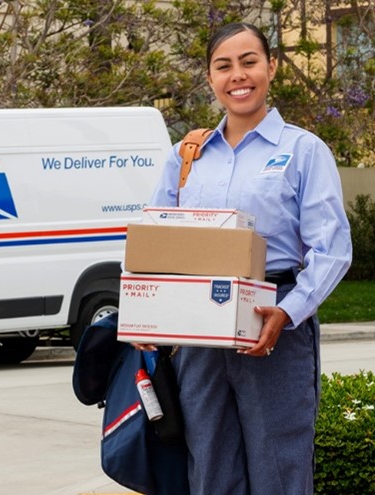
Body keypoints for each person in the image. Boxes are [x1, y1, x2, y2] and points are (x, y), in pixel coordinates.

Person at [137, 22, 353, 494]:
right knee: (209, 464)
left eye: (249, 61)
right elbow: (155, 241)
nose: (239, 75)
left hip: (273, 318)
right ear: (211, 77)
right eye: (224, 65)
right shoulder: (186, 156)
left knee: (280, 465)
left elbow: (333, 248)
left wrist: (289, 312)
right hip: (198, 331)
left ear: (271, 67)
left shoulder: (302, 150)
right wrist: (145, 317)